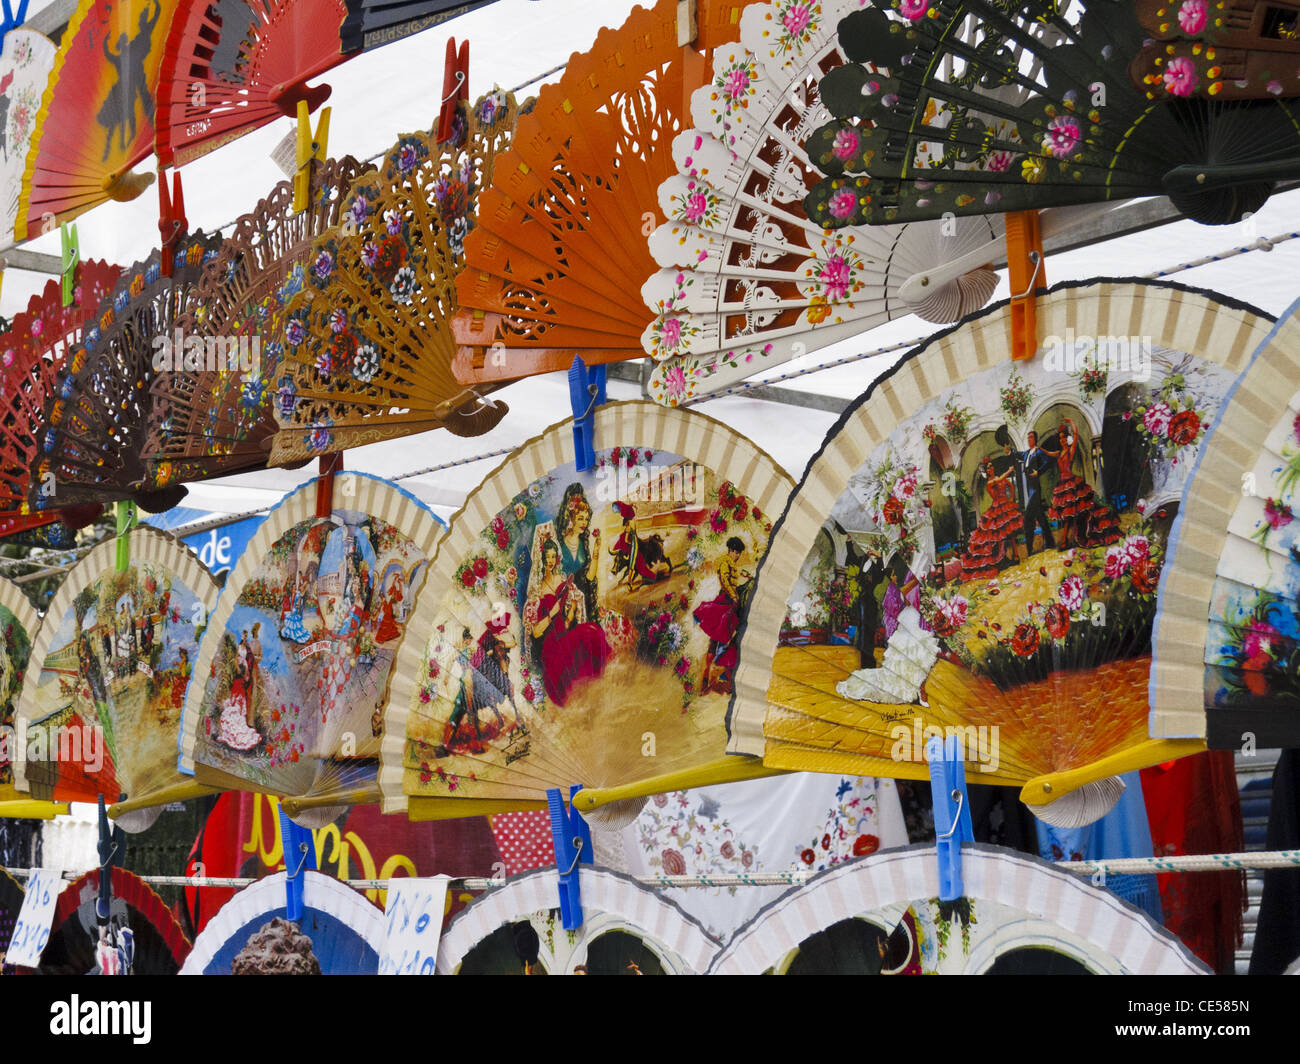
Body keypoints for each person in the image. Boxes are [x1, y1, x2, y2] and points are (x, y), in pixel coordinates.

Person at [527, 536, 610, 706]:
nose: (550, 561)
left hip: (564, 632)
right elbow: (535, 632)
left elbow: (569, 612)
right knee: (566, 656)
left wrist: (570, 613)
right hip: (550, 642)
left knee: (591, 633)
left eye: (552, 556)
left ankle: (596, 687)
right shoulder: (538, 589)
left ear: (557, 558)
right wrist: (551, 614)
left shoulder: (562, 581)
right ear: (542, 560)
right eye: (547, 557)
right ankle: (578, 698)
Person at [1040, 417, 1121, 548]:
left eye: (1064, 438)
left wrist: (1072, 423)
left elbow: (1076, 435)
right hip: (1063, 484)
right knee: (1067, 515)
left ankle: (1066, 540)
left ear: (1067, 439)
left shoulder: (1070, 451)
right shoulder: (1059, 453)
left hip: (1071, 484)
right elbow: (1049, 453)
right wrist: (1039, 449)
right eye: (1060, 438)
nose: (1062, 440)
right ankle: (1065, 540)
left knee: (1073, 514)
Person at [836, 606, 939, 706]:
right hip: (910, 618)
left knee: (918, 655)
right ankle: (913, 690)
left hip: (916, 620)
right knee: (906, 657)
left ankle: (919, 690)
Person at [693, 537, 752, 694]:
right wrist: (734, 596)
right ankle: (712, 675)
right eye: (737, 553)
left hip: (727, 598)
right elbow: (725, 581)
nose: (738, 556)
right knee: (725, 636)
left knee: (718, 639)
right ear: (732, 550)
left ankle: (708, 675)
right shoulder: (726, 562)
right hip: (727, 600)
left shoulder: (729, 563)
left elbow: (733, 578)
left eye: (739, 553)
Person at [960, 455, 1022, 580]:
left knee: (1011, 532)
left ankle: (1016, 556)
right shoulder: (990, 482)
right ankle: (1000, 560)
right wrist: (1010, 471)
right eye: (988, 469)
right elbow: (1001, 481)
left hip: (1005, 505)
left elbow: (1009, 485)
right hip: (997, 507)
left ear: (993, 469)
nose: (990, 469)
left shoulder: (999, 478)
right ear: (987, 472)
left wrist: (1011, 499)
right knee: (998, 536)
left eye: (991, 467)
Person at [472, 614, 523, 734]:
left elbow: (510, 645)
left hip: (500, 666)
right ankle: (500, 719)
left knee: (509, 688)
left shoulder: (501, 636)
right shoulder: (485, 641)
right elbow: (480, 660)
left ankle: (517, 714)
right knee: (488, 691)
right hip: (488, 671)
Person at [558, 484, 601, 621]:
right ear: (571, 518)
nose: (584, 523)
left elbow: (589, 577)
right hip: (563, 605)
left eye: (586, 519)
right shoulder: (559, 542)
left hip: (583, 604)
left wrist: (596, 552)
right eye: (581, 518)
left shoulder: (583, 544)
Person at [442, 628, 485, 749]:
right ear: (467, 639)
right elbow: (451, 661)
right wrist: (446, 676)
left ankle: (447, 744)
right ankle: (447, 744)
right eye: (469, 639)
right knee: (467, 714)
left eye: (470, 640)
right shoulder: (467, 650)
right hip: (467, 681)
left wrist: (446, 676)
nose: (470, 641)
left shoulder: (466, 650)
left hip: (470, 681)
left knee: (462, 714)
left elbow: (451, 661)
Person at [1016, 428, 1056, 556]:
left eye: (1031, 437)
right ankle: (1049, 543)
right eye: (1028, 438)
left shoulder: (1038, 451)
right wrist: (1009, 451)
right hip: (1029, 487)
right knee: (1041, 518)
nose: (1029, 440)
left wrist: (1038, 472)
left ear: (1035, 439)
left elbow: (1048, 462)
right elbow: (1018, 454)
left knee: (1028, 518)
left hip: (1035, 488)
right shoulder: (1027, 453)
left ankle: (1029, 548)